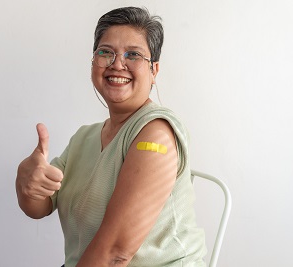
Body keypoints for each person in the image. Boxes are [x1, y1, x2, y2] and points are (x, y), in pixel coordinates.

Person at [16, 6, 206, 267]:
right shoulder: (84, 137)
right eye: (106, 52)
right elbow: (39, 208)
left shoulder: (157, 133)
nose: (117, 63)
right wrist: (26, 180)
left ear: (154, 70)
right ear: (93, 62)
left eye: (133, 54)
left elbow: (115, 254)